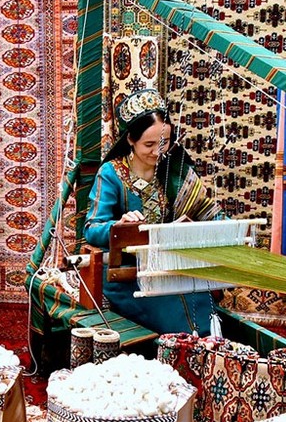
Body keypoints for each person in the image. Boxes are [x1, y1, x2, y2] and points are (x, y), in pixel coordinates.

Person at [84, 89, 221, 335]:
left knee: (201, 302)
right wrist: (120, 227)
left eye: (164, 143)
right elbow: (92, 229)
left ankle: (202, 346)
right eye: (149, 144)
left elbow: (208, 212)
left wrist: (236, 232)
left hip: (168, 268)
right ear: (130, 140)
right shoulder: (111, 173)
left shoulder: (175, 170)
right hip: (128, 275)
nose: (158, 151)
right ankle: (185, 348)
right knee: (175, 314)